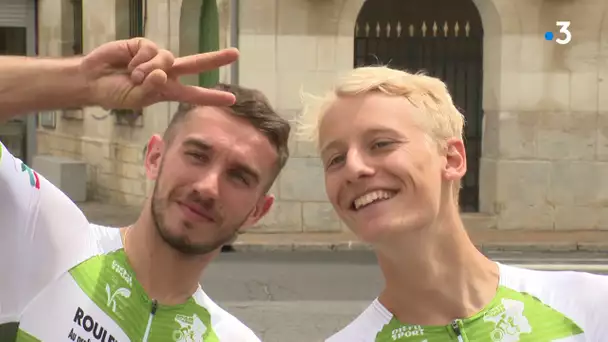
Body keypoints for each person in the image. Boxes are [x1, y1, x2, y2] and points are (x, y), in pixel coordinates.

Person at [0, 38, 291, 341]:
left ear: (257, 211)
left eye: (239, 176)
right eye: (197, 155)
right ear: (154, 157)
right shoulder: (48, 238)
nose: (207, 188)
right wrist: (84, 82)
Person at [297, 66, 608, 341]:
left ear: (452, 158)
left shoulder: (591, 307)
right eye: (335, 159)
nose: (353, 168)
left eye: (381, 144)